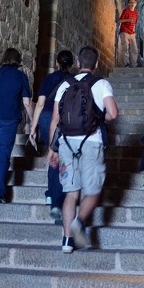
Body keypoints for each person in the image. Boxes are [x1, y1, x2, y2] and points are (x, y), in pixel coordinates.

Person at [48, 46, 119, 253]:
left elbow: (55, 120)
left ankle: (67, 241)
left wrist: (52, 149)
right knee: (93, 190)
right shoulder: (101, 84)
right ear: (96, 65)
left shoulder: (64, 85)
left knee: (71, 193)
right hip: (91, 142)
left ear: (78, 64)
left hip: (66, 143)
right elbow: (113, 114)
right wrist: (101, 118)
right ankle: (79, 222)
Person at [0, 48, 34, 203]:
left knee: (1, 148)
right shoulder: (21, 76)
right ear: (18, 60)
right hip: (8, 118)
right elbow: (27, 103)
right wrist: (32, 121)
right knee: (3, 151)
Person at [29, 49, 75, 221]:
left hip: (47, 117)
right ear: (72, 64)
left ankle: (51, 193)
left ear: (57, 62)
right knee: (61, 157)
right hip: (65, 118)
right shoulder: (73, 80)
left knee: (53, 155)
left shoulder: (48, 79)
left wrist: (33, 127)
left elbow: (39, 105)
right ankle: (56, 195)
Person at [117, 0, 139, 67]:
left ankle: (134, 64)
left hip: (132, 33)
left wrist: (134, 32)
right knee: (125, 47)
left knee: (134, 49)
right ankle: (126, 63)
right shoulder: (126, 11)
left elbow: (134, 24)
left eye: (134, 2)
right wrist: (128, 20)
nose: (132, 4)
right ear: (128, 4)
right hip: (124, 31)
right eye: (131, 2)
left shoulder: (136, 13)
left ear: (136, 4)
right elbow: (120, 21)